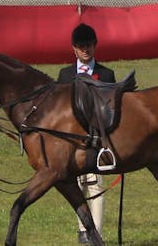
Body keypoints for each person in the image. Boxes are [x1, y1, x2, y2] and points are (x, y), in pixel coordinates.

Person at [57, 23, 116, 245]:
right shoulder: (64, 75)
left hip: (96, 141)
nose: (85, 50)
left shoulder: (107, 74)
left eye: (89, 45)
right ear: (74, 48)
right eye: (81, 46)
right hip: (71, 141)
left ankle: (96, 234)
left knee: (95, 183)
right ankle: (83, 232)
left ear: (95, 46)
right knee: (76, 185)